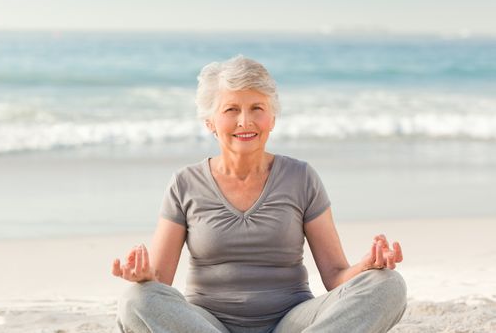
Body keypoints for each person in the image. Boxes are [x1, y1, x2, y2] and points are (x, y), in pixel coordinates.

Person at [112, 55, 407, 333]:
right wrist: (143, 277)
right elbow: (160, 282)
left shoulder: (301, 177)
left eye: (257, 108)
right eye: (231, 110)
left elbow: (335, 275)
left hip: (293, 322)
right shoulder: (184, 183)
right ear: (210, 122)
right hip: (208, 325)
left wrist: (366, 267)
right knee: (135, 300)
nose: (245, 121)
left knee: (388, 285)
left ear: (272, 118)